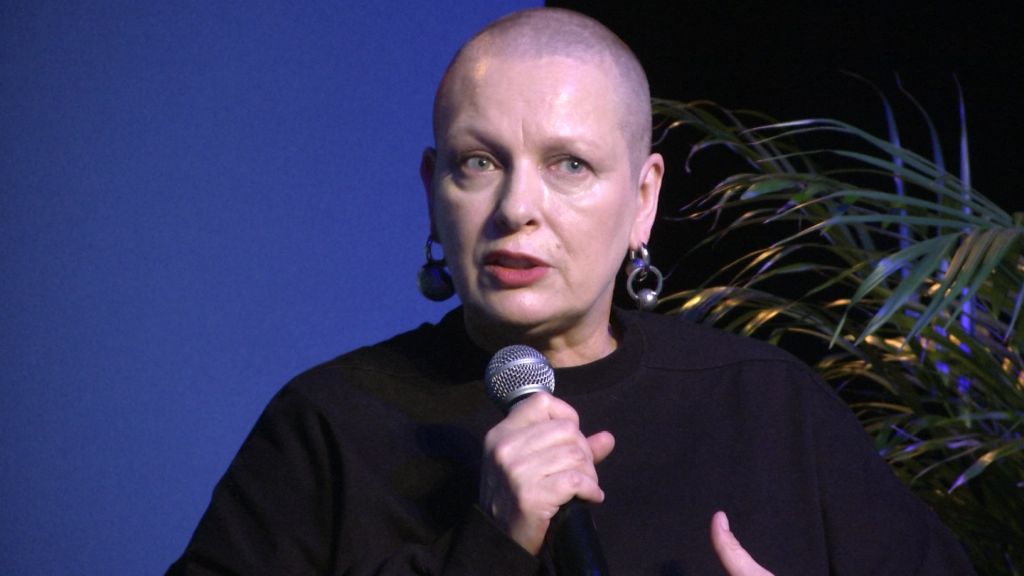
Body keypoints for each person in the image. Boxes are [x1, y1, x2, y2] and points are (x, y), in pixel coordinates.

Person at [168, 7, 976, 575]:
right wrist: (491, 541)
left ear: (643, 198)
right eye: (478, 163)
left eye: (570, 165)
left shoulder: (769, 406)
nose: (516, 207)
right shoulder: (327, 425)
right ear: (433, 190)